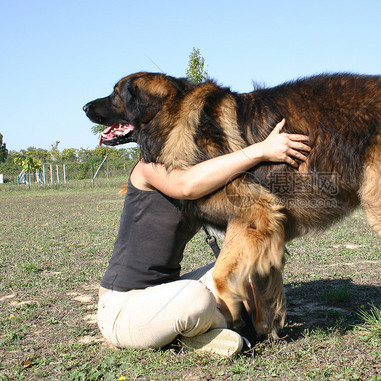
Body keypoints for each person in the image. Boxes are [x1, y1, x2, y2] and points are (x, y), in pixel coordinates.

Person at [96, 119, 310, 357]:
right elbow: (186, 186)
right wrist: (261, 150)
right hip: (122, 307)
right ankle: (215, 324)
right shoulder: (149, 165)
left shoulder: (197, 167)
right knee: (196, 299)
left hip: (165, 292)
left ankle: (215, 326)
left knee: (247, 265)